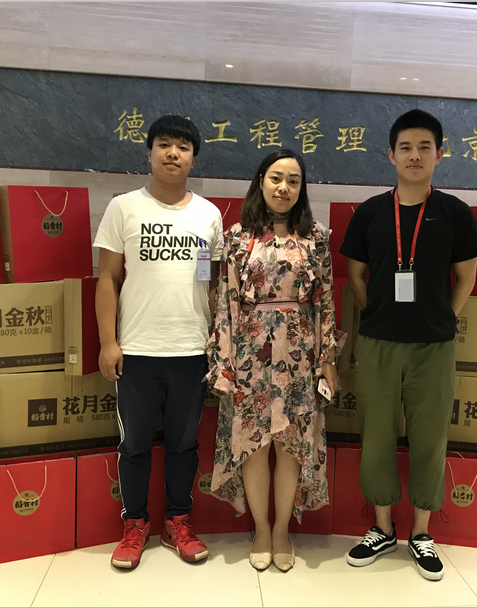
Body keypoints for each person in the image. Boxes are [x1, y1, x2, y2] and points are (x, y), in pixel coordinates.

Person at [339, 109, 477, 581]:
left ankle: (421, 532)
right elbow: (356, 276)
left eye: (425, 147)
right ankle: (382, 528)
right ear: (391, 155)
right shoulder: (370, 212)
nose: (415, 155)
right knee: (376, 435)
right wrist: (382, 312)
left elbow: (467, 277)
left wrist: (443, 318)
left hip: (433, 347)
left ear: (440, 155)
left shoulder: (456, 213)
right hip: (378, 343)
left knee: (429, 438)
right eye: (405, 147)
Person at [205, 149, 345, 572]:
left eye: (293, 181)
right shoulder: (236, 237)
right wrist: (225, 360)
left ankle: (282, 529)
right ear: (261, 182)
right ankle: (261, 529)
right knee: (254, 445)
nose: (284, 187)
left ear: (302, 189)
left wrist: (327, 359)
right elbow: (225, 302)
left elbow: (326, 302)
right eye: (276, 178)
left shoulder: (317, 237)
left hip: (300, 355)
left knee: (290, 446)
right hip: (249, 354)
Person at [94, 115, 224, 569]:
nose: (173, 153)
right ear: (149, 153)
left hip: (191, 350)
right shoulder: (123, 208)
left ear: (193, 159)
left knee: (184, 445)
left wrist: (217, 341)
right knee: (134, 445)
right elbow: (107, 279)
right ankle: (134, 525)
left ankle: (178, 523)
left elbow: (211, 282)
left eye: (183, 147)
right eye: (164, 145)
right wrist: (108, 343)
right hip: (137, 351)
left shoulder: (208, 215)